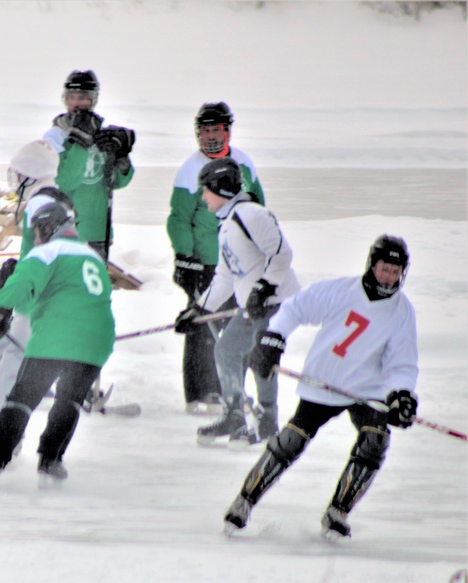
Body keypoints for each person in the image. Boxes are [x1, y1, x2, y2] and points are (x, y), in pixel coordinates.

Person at [223, 235, 418, 541]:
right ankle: (244, 501)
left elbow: (402, 362)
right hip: (325, 381)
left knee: (376, 440)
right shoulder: (341, 291)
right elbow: (295, 308)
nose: (389, 277)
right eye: (384, 269)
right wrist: (274, 338)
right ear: (371, 265)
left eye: (396, 272)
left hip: (367, 390)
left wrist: (402, 394)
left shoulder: (402, 311)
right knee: (291, 441)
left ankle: (338, 511)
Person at [0, 200, 114, 483]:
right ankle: (50, 461)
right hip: (96, 341)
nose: (36, 239)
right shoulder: (92, 256)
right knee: (69, 400)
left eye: (37, 232)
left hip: (56, 338)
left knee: (22, 400)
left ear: (48, 228)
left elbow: (23, 281)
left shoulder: (49, 251)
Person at [175, 157, 300, 446]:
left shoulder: (252, 215)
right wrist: (197, 310)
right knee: (226, 350)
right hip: (252, 307)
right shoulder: (228, 225)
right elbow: (224, 278)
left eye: (206, 190)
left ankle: (268, 421)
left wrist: (264, 287)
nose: (203, 196)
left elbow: (282, 254)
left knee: (260, 358)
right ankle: (234, 413)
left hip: (277, 303)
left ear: (222, 189)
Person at [0, 140, 75, 456]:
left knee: (9, 364)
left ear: (31, 174)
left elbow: (47, 259)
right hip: (33, 296)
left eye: (17, 173)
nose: (13, 179)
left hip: (42, 301)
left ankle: (7, 438)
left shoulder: (40, 203)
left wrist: (9, 302)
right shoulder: (44, 198)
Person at [166, 102, 265, 415]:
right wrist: (184, 257)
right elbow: (178, 218)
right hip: (205, 261)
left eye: (216, 129)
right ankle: (201, 392)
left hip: (240, 262)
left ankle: (234, 392)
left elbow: (258, 205)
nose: (210, 136)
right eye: (205, 130)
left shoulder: (244, 163)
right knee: (202, 326)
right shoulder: (190, 169)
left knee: (239, 328)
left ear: (228, 131)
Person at [42, 70, 135, 260]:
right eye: (72, 97)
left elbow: (116, 182)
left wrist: (122, 158)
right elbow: (66, 181)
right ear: (65, 99)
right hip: (65, 230)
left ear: (94, 100)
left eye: (84, 97)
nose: (77, 103)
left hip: (99, 231)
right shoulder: (54, 136)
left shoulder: (101, 135)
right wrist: (80, 142)